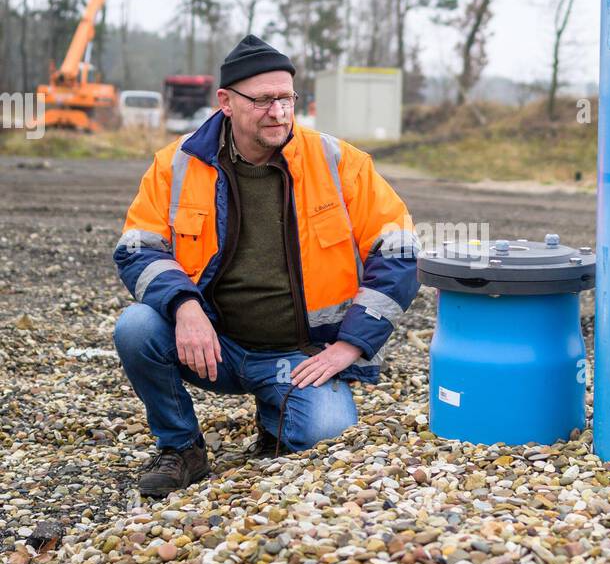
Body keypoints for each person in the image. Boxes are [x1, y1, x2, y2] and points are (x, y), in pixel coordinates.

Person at [113, 34, 419, 497]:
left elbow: (398, 251)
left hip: (300, 356)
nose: (278, 112)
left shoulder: (338, 162)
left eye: (286, 99)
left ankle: (277, 417)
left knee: (328, 437)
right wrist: (184, 308)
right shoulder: (176, 164)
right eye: (263, 100)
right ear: (226, 103)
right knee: (135, 327)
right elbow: (138, 247)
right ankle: (181, 447)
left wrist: (352, 345)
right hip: (214, 346)